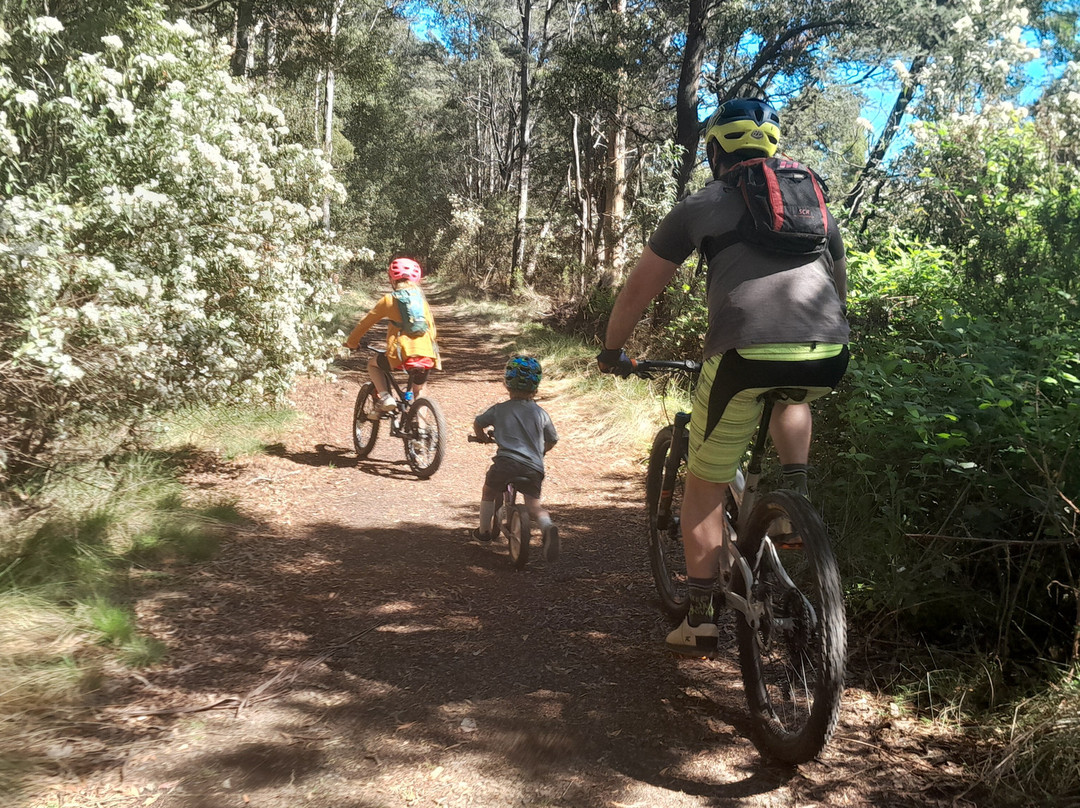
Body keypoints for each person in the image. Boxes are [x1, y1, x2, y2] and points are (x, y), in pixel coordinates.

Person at [597, 97, 850, 656]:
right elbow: (839, 281)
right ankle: (792, 501)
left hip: (742, 356)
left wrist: (612, 350)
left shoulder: (701, 204)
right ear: (772, 148)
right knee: (791, 396)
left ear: (716, 149)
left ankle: (703, 615)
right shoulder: (814, 203)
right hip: (829, 349)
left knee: (704, 489)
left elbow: (640, 289)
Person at [472, 356, 561, 562]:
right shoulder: (540, 413)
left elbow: (478, 423)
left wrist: (482, 437)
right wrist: (541, 452)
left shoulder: (500, 409)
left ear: (506, 384)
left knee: (489, 491)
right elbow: (552, 439)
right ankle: (548, 526)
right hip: (533, 467)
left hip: (506, 462)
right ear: (536, 387)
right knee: (533, 505)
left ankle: (484, 532)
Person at [344, 257, 440, 411]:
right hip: (426, 355)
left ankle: (386, 397)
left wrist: (352, 342)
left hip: (400, 356)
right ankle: (422, 430)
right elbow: (432, 330)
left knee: (373, 365)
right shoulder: (422, 301)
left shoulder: (389, 300)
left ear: (391, 279)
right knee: (419, 390)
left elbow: (365, 323)